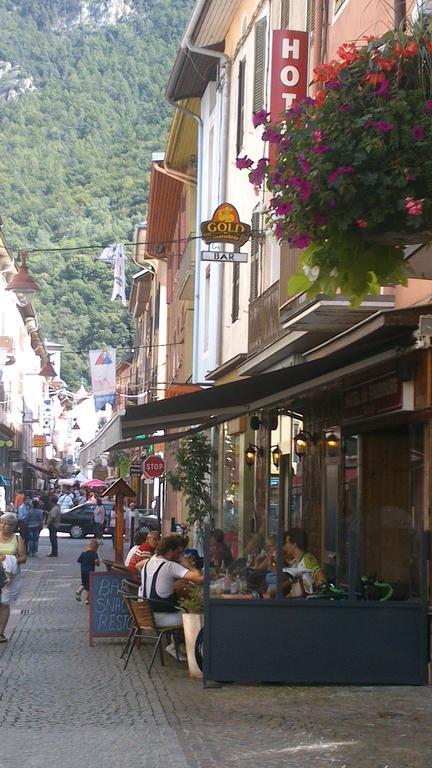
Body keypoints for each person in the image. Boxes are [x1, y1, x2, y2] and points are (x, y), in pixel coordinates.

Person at [140, 535, 203, 660]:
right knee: (193, 613)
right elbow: (199, 578)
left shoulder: (148, 562)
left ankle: (177, 645)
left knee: (183, 607)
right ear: (170, 551)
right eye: (178, 552)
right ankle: (193, 653)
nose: (179, 555)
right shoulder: (169, 566)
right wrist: (187, 564)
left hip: (148, 614)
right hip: (161, 617)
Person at [0, 513, 26, 643]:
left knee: (4, 603)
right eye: (2, 522)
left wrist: (8, 559)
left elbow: (23, 558)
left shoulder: (17, 539)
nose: (4, 526)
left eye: (8, 524)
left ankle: (0, 633)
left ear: (13, 527)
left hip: (10, 576)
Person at [282, 528, 325, 597]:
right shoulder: (293, 563)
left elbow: (321, 579)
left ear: (294, 544)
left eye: (286, 543)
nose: (284, 547)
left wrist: (314, 593)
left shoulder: (307, 559)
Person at [76, 540, 100, 605]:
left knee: (84, 583)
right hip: (90, 572)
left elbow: (78, 560)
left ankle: (79, 590)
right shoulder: (94, 554)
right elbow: (97, 563)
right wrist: (97, 562)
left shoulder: (83, 554)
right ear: (95, 548)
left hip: (83, 572)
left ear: (88, 546)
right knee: (90, 585)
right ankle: (87, 599)